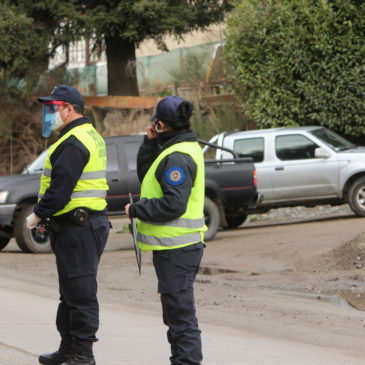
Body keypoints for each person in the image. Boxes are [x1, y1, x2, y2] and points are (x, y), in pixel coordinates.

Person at [26, 85, 110, 365]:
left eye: (53, 107)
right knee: (71, 292)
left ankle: (83, 355)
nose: (49, 113)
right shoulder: (87, 135)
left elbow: (60, 190)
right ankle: (68, 348)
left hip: (79, 227)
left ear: (68, 109)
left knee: (81, 292)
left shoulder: (74, 142)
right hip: (83, 225)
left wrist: (37, 214)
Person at [125, 95, 206, 365]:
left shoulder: (177, 158)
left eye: (155, 125)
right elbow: (148, 175)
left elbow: (174, 205)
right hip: (174, 249)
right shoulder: (174, 150)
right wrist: (150, 143)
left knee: (181, 317)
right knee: (175, 314)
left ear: (160, 123)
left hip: (177, 249)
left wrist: (137, 210)